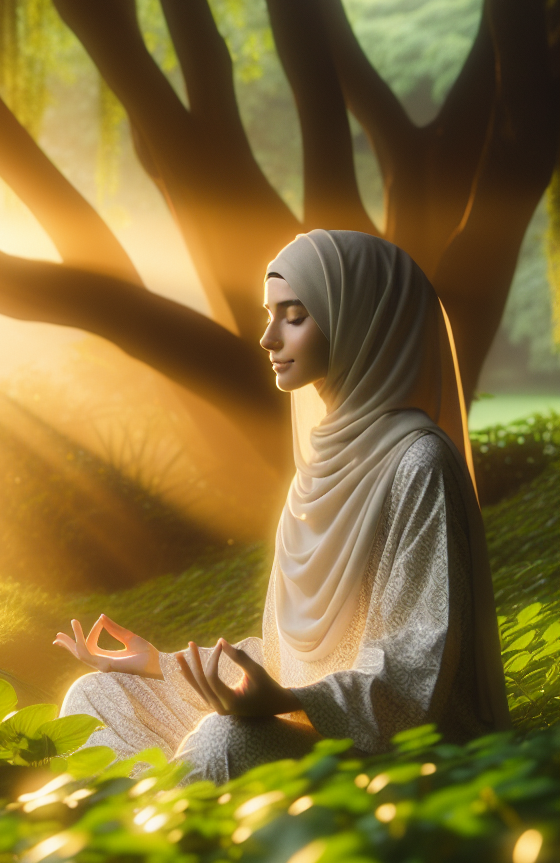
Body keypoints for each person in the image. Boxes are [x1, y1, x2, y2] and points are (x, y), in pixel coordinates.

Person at [54, 229, 510, 784]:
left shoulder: (419, 465)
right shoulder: (312, 476)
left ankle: (153, 840)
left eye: (293, 316)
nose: (268, 338)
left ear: (362, 322)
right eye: (270, 315)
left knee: (225, 743)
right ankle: (146, 828)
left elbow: (416, 669)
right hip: (300, 715)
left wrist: (293, 701)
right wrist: (162, 667)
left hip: (386, 749)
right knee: (98, 696)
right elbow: (284, 657)